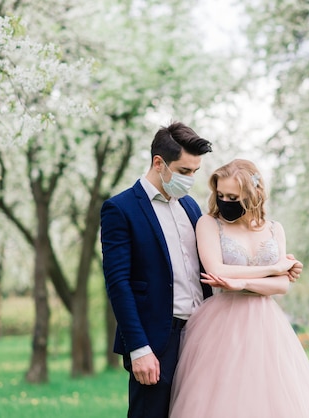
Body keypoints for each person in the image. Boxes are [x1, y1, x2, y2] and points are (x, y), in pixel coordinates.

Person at [169, 159, 309, 418]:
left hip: (267, 323)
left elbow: (282, 285)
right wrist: (275, 268)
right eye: (220, 195)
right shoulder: (209, 224)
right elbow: (218, 270)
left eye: (233, 196)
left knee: (272, 397)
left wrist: (245, 283)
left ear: (252, 194)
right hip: (222, 324)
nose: (225, 201)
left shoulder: (274, 229)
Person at [100, 122, 214, 418]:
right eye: (184, 171)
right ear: (158, 163)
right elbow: (118, 283)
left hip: (200, 336)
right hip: (156, 342)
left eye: (195, 172)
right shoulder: (121, 209)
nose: (190, 180)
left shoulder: (191, 208)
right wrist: (138, 348)